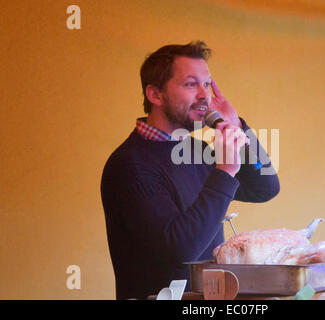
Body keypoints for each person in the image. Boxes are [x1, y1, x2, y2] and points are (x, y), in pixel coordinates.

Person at [100, 41, 280, 299]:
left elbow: (266, 187)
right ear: (155, 95)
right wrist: (225, 170)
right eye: (190, 84)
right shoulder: (129, 165)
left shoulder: (194, 149)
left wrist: (237, 126)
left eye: (206, 84)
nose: (204, 96)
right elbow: (180, 252)